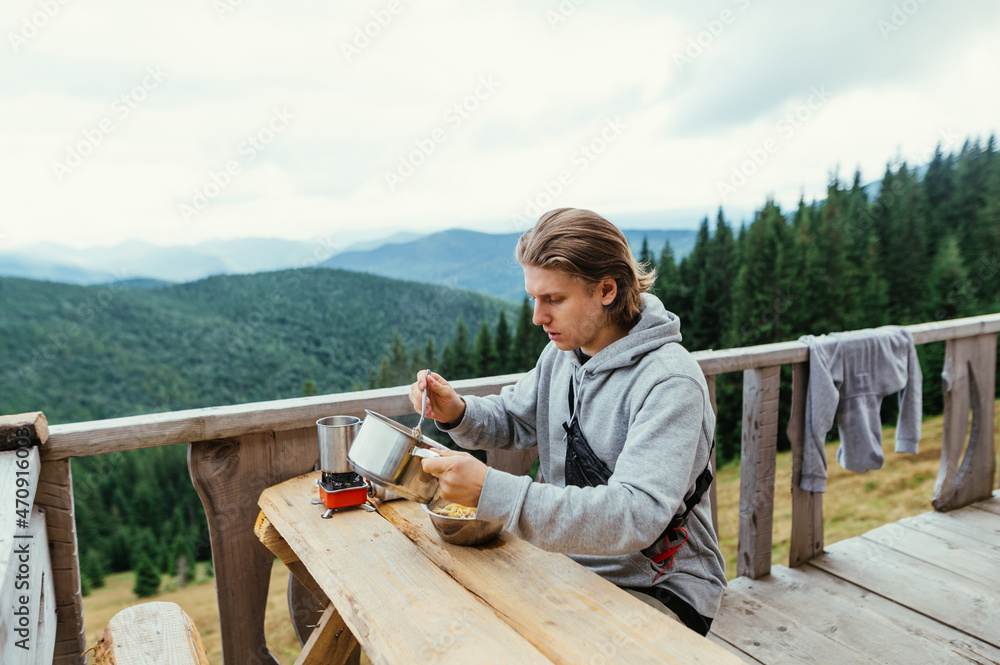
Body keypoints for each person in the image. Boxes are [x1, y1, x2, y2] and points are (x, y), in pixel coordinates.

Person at [408, 208, 726, 635]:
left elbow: (635, 514)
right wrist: (457, 411)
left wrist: (494, 492)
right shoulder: (562, 353)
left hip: (657, 586)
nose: (538, 317)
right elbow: (516, 418)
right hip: (567, 561)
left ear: (607, 290)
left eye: (553, 299)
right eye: (533, 298)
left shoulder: (670, 381)